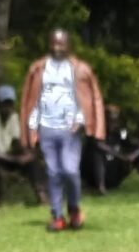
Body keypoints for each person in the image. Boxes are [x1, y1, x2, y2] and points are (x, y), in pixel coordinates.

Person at [21, 26, 105, 233]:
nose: (57, 48)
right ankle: (57, 216)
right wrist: (30, 131)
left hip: (70, 129)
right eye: (53, 43)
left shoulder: (81, 69)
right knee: (53, 173)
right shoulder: (38, 69)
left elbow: (93, 97)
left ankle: (74, 209)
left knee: (70, 170)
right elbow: (28, 101)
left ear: (69, 45)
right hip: (47, 127)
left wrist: (88, 122)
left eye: (61, 44)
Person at [0, 84, 42, 210]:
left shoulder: (13, 117)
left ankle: (41, 196)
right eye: (5, 104)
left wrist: (26, 154)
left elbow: (16, 142)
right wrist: (13, 160)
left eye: (10, 104)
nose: (8, 108)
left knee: (31, 160)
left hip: (4, 155)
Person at [97, 104, 139, 192]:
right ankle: (101, 187)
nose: (113, 123)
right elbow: (100, 145)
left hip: (116, 169)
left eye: (115, 120)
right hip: (101, 171)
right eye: (110, 119)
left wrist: (133, 155)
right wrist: (122, 157)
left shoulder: (121, 132)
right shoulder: (97, 132)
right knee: (97, 154)